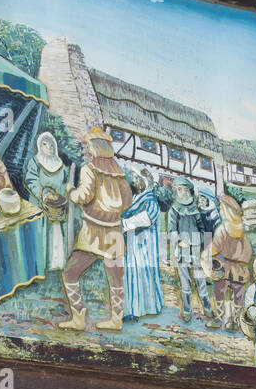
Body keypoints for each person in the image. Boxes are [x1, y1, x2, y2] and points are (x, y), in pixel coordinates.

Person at [57, 129, 133, 332]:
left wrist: (71, 192)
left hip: (93, 232)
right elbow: (126, 202)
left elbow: (83, 196)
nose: (85, 150)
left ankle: (79, 316)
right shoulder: (120, 174)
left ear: (94, 147)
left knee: (70, 272)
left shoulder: (89, 170)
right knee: (116, 278)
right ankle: (116, 319)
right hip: (114, 232)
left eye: (87, 146)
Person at [165, 177, 216, 324]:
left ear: (190, 191)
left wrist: (196, 241)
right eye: (180, 190)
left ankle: (207, 308)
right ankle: (186, 311)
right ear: (176, 191)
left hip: (195, 252)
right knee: (185, 283)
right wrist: (179, 242)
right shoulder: (173, 210)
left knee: (200, 280)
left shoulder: (195, 209)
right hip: (182, 253)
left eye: (185, 190)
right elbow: (171, 230)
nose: (183, 192)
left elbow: (202, 230)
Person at [23, 131, 71, 272]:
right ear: (39, 146)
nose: (48, 147)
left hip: (56, 208)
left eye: (51, 144)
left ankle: (55, 264)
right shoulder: (35, 162)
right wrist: (44, 194)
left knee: (55, 235)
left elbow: (64, 183)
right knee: (40, 235)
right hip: (40, 205)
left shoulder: (61, 165)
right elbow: (30, 180)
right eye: (44, 144)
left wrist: (64, 196)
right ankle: (38, 265)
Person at [204, 194, 253, 330]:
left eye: (221, 207)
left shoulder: (223, 229)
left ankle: (219, 319)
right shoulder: (242, 229)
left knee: (220, 292)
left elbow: (214, 248)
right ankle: (235, 321)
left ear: (226, 210)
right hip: (240, 270)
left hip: (224, 267)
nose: (220, 209)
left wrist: (207, 253)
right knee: (238, 295)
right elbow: (248, 252)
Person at [121, 173, 163, 320]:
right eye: (135, 179)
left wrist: (124, 224)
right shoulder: (135, 199)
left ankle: (141, 309)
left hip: (144, 244)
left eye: (139, 179)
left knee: (142, 275)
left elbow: (147, 218)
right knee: (132, 275)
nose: (136, 181)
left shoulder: (150, 200)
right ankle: (132, 309)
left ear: (146, 182)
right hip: (132, 241)